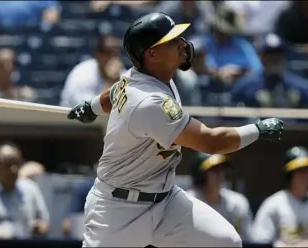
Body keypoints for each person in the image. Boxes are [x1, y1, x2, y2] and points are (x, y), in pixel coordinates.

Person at [67, 12, 284, 247]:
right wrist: (258, 129)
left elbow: (114, 92)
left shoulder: (144, 77)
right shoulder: (149, 101)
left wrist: (92, 107)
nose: (182, 44)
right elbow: (211, 142)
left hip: (166, 202)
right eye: (171, 41)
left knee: (227, 242)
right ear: (152, 54)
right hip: (119, 210)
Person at [252, 146, 308, 247]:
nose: (305, 175)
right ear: (289, 175)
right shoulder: (273, 204)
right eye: (300, 171)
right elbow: (260, 243)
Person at [187, 152, 253, 242]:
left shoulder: (237, 203)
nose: (219, 174)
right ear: (200, 175)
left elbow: (246, 241)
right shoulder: (188, 201)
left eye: (221, 169)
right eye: (213, 170)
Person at [60, 34, 125, 107]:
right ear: (97, 54)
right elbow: (91, 112)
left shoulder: (123, 74)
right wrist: (111, 82)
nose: (113, 58)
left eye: (117, 53)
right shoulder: (82, 74)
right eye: (108, 52)